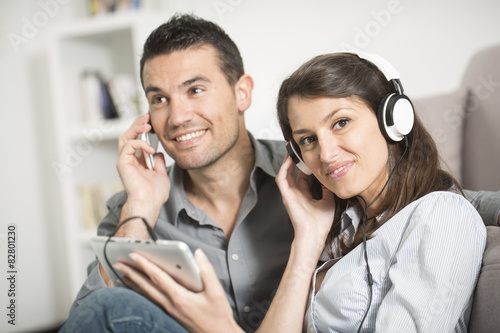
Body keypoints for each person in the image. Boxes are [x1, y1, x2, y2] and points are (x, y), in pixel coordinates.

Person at [60, 14, 500, 333]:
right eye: (158, 99)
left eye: (195, 89)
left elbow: (437, 201)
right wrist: (139, 205)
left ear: (241, 93)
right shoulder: (133, 207)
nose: (177, 116)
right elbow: (90, 313)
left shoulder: (312, 180)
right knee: (110, 308)